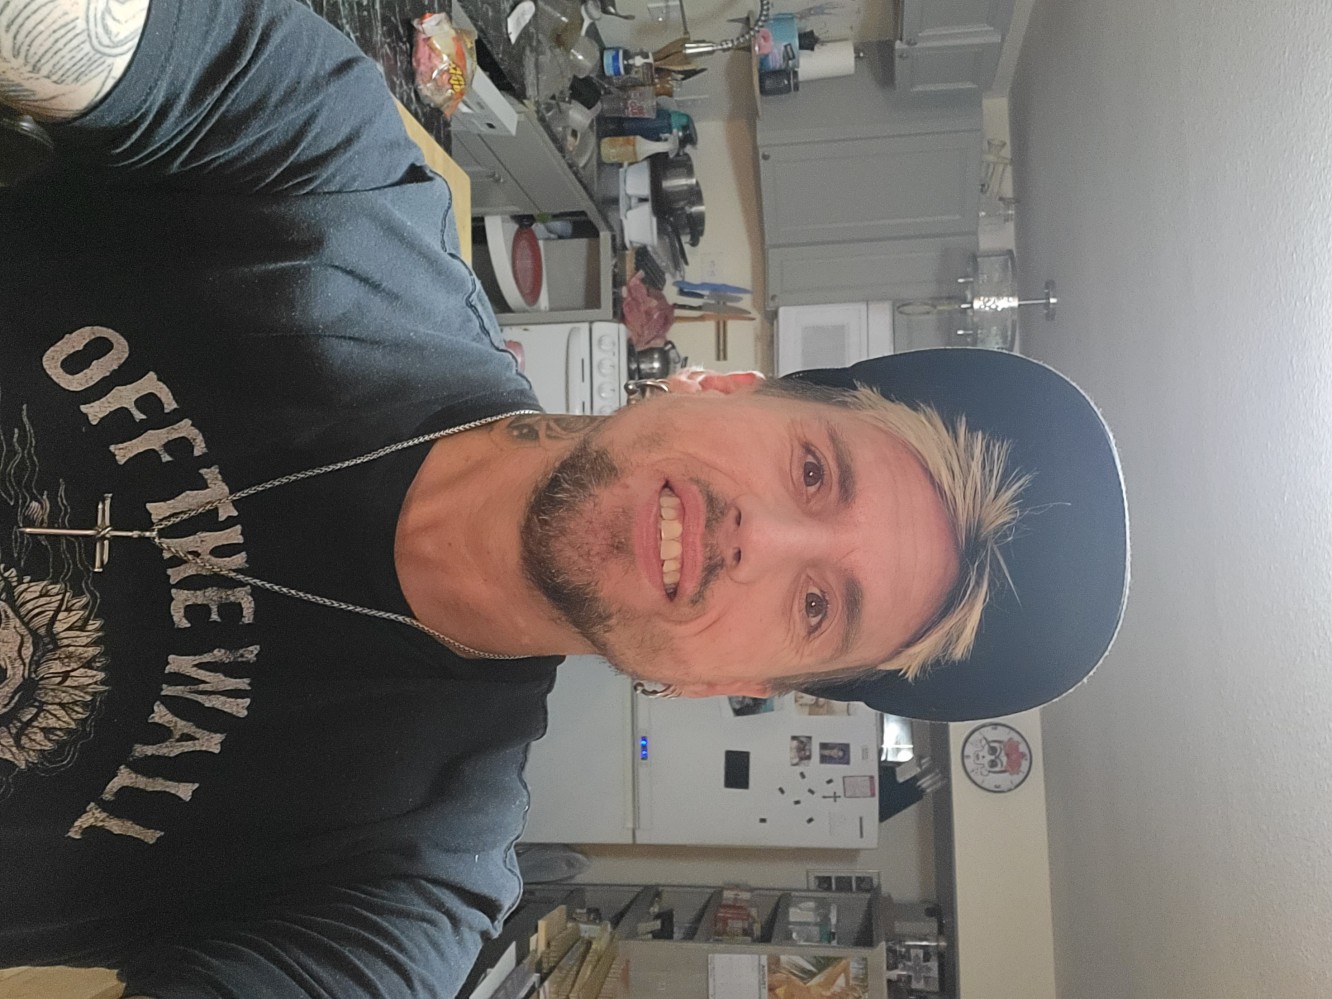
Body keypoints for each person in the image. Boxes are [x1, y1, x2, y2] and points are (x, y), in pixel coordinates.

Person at [0, 0, 1129, 996]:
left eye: (818, 605)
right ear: (721, 383)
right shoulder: (340, 187)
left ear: (730, 685)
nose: (758, 541)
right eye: (813, 471)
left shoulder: (408, 892)